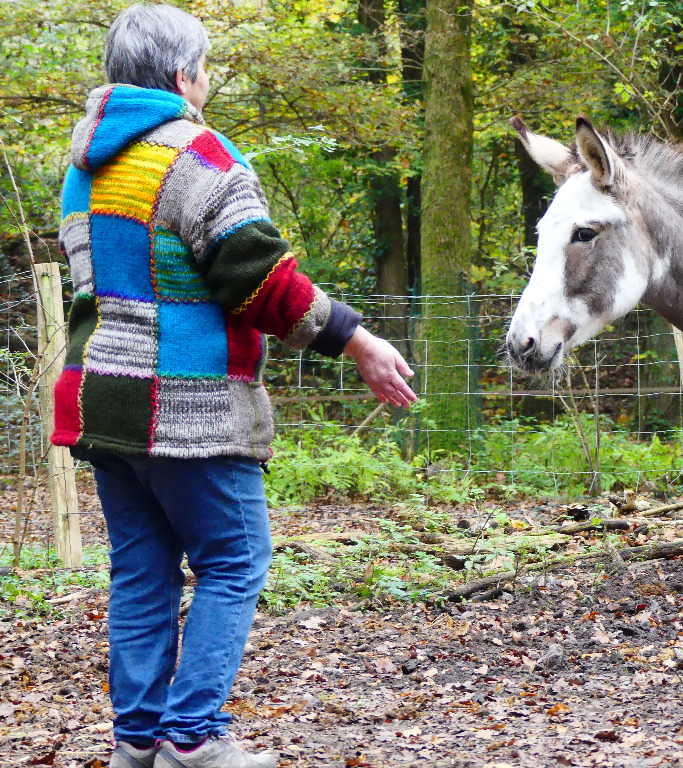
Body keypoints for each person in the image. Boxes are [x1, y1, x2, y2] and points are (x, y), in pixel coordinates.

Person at [51, 4, 417, 767]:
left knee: (142, 573)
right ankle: (193, 736)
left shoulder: (81, 169)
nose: (207, 83)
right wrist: (356, 338)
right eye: (206, 68)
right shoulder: (201, 156)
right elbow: (262, 283)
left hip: (105, 406)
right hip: (189, 410)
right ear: (185, 75)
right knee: (234, 560)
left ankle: (138, 741)